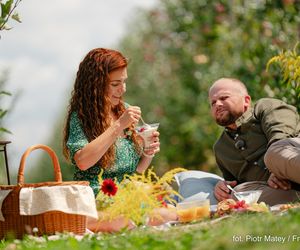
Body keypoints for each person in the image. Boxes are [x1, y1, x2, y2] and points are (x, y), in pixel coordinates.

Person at [62, 48, 164, 232]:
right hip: (97, 201)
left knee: (169, 213)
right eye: (115, 83)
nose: (122, 89)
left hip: (129, 195)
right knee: (127, 221)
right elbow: (83, 161)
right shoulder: (81, 118)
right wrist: (118, 126)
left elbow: (137, 170)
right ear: (96, 84)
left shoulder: (123, 110)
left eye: (124, 82)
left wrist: (148, 152)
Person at [209, 77, 300, 206]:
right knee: (237, 195)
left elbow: (282, 137)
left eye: (224, 98)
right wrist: (222, 188)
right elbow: (234, 185)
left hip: (292, 158)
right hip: (283, 190)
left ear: (246, 100)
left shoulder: (264, 108)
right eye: (213, 103)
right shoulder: (220, 149)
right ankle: (296, 200)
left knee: (275, 153)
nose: (217, 105)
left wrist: (276, 171)